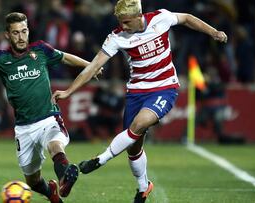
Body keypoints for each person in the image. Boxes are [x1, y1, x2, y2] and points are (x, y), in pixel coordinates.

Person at [52, 0, 228, 202]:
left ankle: (101, 159)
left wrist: (214, 32)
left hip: (165, 87)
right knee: (133, 148)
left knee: (139, 124)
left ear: (139, 16)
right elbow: (92, 67)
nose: (123, 26)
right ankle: (144, 187)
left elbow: (187, 18)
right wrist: (68, 91)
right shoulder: (117, 37)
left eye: (126, 22)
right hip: (136, 92)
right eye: (121, 22)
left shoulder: (160, 18)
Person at [0, 12, 98, 203]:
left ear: (28, 31)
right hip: (23, 128)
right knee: (32, 180)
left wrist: (92, 66)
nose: (21, 36)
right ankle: (52, 193)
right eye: (16, 33)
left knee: (55, 145)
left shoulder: (41, 50)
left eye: (24, 31)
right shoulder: (1, 59)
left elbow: (66, 58)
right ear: (7, 35)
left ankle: (65, 177)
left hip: (48, 118)